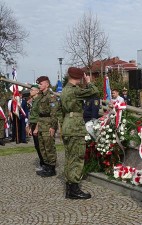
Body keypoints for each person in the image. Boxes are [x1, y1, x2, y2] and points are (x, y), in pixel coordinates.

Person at [61, 67, 99, 199]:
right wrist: (88, 82)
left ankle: (69, 187)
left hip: (67, 125)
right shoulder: (75, 90)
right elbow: (94, 91)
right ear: (80, 77)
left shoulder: (64, 90)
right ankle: (74, 189)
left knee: (69, 157)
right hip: (75, 127)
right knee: (77, 157)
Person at [35, 76, 60, 177]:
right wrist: (37, 127)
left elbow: (54, 113)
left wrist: (53, 127)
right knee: (42, 147)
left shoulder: (51, 96)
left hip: (48, 124)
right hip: (41, 124)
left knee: (49, 147)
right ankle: (46, 166)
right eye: (39, 84)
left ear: (47, 84)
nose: (39, 85)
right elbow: (39, 114)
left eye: (41, 84)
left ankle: (52, 168)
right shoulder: (41, 96)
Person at [28, 84, 45, 170]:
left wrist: (36, 128)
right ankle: (42, 163)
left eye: (32, 90)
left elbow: (40, 116)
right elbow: (33, 115)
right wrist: (31, 127)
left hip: (38, 125)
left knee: (40, 145)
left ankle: (44, 164)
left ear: (37, 91)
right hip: (34, 124)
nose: (30, 91)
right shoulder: (34, 101)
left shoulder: (39, 101)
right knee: (37, 146)